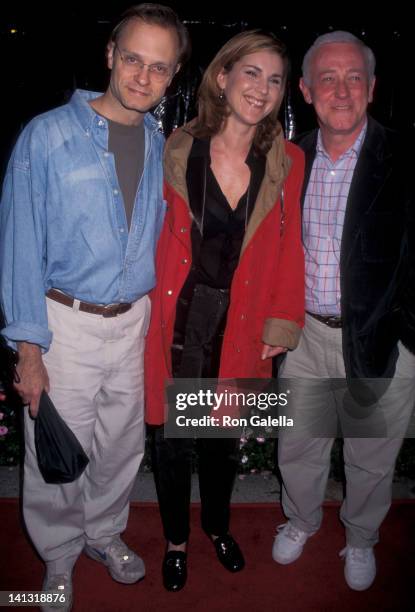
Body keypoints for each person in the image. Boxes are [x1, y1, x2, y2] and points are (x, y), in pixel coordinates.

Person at [0, 4, 190, 610]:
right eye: (133, 58)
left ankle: (104, 535)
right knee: (57, 454)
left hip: (132, 323)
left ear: (173, 75)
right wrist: (28, 349)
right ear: (110, 54)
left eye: (159, 67)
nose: (143, 76)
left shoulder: (159, 141)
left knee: (120, 448)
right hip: (66, 325)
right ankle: (58, 558)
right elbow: (20, 243)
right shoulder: (48, 134)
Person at [144, 29, 305, 592]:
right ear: (222, 77)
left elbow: (291, 249)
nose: (261, 87)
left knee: (223, 436)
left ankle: (215, 525)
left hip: (244, 319)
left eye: (275, 78)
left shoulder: (288, 160)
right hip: (179, 318)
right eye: (251, 72)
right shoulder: (175, 145)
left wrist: (282, 324)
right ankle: (176, 540)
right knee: (173, 440)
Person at [273, 31, 415, 591]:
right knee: (299, 445)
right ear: (305, 90)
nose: (340, 89)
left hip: (378, 335)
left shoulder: (405, 156)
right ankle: (302, 520)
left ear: (372, 87)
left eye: (353, 76)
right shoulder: (287, 160)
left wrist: (406, 329)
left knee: (370, 455)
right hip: (305, 335)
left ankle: (360, 538)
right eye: (326, 78)